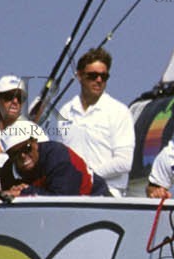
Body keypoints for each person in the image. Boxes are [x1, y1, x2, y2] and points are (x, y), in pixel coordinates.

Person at [57, 47, 134, 195]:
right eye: (92, 76)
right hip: (72, 193)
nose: (99, 80)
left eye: (103, 76)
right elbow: (61, 157)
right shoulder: (65, 111)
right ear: (79, 75)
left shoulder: (119, 111)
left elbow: (124, 162)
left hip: (108, 192)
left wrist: (87, 175)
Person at [0, 120, 109, 198]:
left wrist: (24, 192)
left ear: (35, 143)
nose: (23, 156)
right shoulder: (8, 171)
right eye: (15, 153)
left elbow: (62, 200)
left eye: (27, 148)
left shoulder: (59, 158)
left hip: (97, 200)